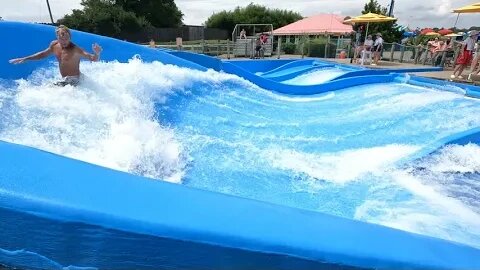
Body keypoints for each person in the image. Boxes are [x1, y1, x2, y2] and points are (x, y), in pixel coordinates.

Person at [9, 25, 102, 86]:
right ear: (57, 37)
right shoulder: (54, 45)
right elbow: (43, 54)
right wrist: (26, 58)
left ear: (70, 38)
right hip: (66, 80)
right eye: (62, 39)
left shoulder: (75, 49)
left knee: (51, 90)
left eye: (67, 38)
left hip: (75, 80)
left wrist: (97, 53)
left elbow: (93, 59)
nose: (64, 41)